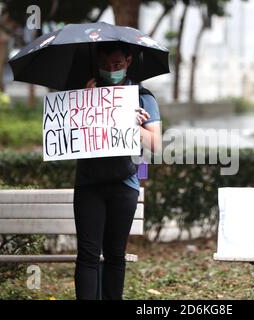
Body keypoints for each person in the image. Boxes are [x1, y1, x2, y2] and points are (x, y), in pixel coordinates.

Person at [73, 42, 162, 300]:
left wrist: (128, 122)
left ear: (128, 62)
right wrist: (85, 106)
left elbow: (155, 144)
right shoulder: (84, 93)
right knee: (88, 254)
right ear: (96, 63)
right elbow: (70, 139)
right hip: (89, 184)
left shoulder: (143, 97)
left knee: (114, 254)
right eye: (104, 65)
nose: (110, 70)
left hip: (125, 184)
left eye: (117, 65)